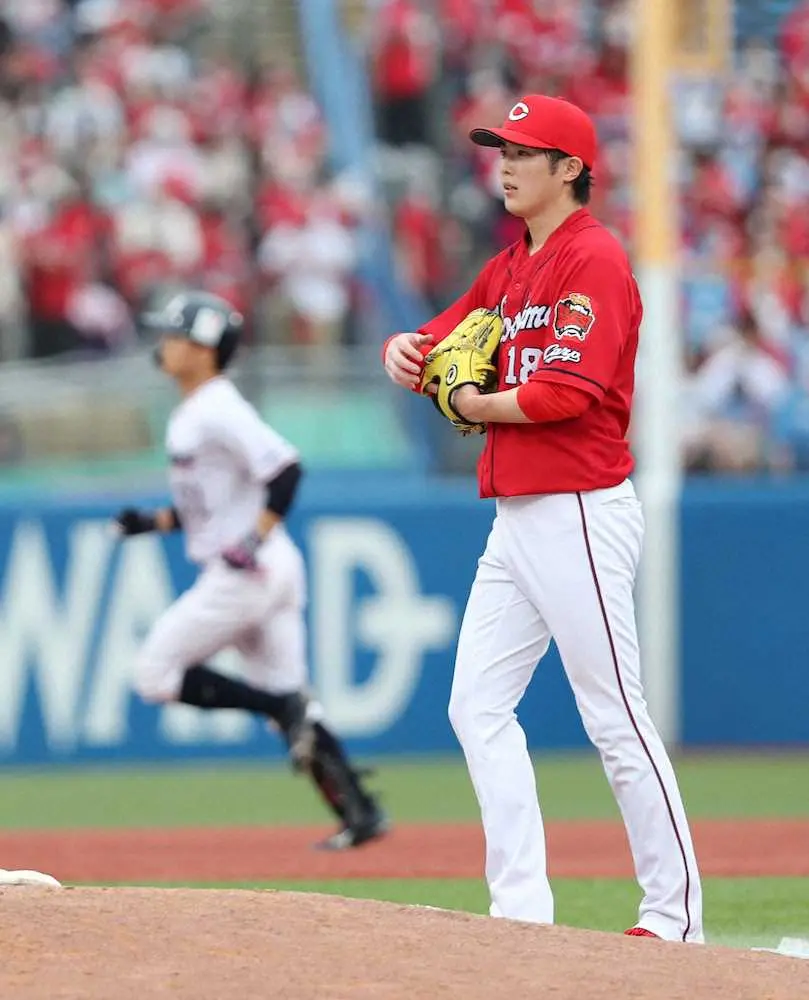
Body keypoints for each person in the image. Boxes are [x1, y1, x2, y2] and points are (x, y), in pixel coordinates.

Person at [382, 95, 703, 941]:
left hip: (578, 511)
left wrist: (472, 402)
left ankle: (674, 917)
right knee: (475, 707)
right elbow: (437, 339)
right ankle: (520, 913)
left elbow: (566, 393)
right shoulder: (508, 267)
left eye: (524, 151)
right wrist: (403, 349)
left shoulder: (592, 258)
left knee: (615, 716)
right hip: (517, 519)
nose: (506, 164)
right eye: (502, 150)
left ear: (569, 169)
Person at [115, 290, 388, 850]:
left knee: (154, 673)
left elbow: (286, 470)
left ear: (203, 347)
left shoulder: (216, 406)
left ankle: (281, 709)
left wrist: (253, 538)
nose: (164, 344)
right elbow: (209, 508)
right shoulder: (198, 409)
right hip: (268, 569)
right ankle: (359, 812)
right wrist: (152, 522)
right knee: (292, 694)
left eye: (174, 334)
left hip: (246, 573)